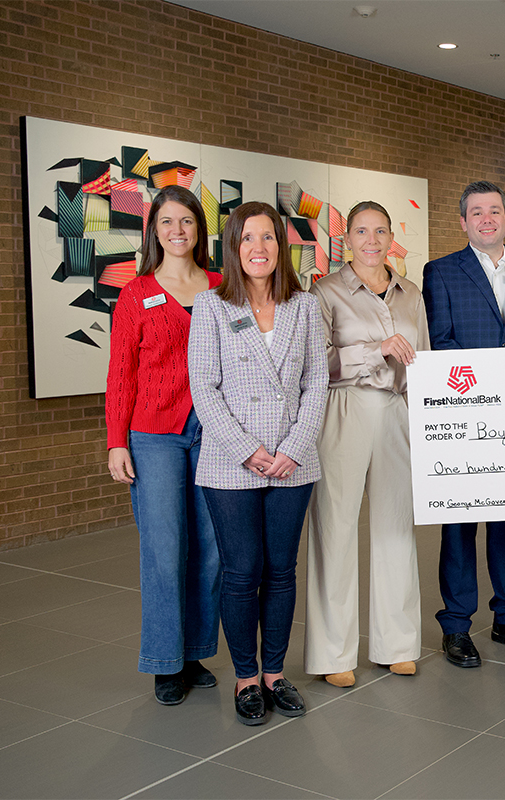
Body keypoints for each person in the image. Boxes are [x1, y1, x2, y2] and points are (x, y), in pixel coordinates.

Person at [188, 201, 327, 725]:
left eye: (267, 237)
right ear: (233, 247)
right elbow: (204, 386)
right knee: (242, 572)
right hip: (232, 463)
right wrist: (246, 448)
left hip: (293, 461)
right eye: (247, 239)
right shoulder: (212, 306)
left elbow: (317, 382)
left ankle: (275, 672)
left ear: (281, 245)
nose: (258, 248)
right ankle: (246, 678)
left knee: (282, 571)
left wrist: (292, 447)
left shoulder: (304, 306)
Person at [422, 180, 505, 668]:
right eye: (476, 212)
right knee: (459, 525)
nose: (486, 219)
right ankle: (456, 625)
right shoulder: (440, 273)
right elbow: (440, 342)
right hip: (463, 419)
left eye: (494, 211)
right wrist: (487, 389)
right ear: (462, 222)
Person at [304, 201, 429, 687]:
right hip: (345, 410)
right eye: (362, 231)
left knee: (396, 527)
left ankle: (396, 643)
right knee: (335, 528)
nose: (371, 240)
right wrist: (373, 350)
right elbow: (315, 363)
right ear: (346, 239)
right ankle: (334, 651)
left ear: (391, 236)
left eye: (380, 231)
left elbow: (425, 363)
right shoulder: (325, 292)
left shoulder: (410, 293)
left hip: (397, 412)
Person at [105, 186, 221, 705]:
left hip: (217, 433)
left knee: (210, 549)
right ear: (154, 230)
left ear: (200, 229)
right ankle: (163, 660)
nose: (177, 231)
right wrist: (116, 442)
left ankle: (194, 651)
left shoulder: (223, 286)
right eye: (167, 222)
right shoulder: (136, 293)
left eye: (187, 222)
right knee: (164, 549)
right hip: (153, 434)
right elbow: (120, 375)